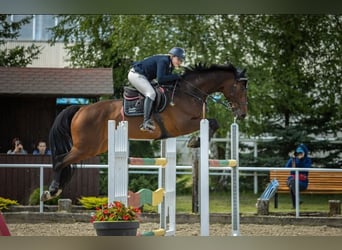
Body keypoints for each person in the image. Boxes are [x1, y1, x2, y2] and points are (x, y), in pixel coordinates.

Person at [128, 47, 186, 132]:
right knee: (151, 93)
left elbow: (165, 82)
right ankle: (146, 122)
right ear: (172, 56)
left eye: (181, 60)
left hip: (145, 77)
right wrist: (177, 76)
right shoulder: (164, 61)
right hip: (136, 75)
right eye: (179, 59)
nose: (180, 62)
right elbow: (161, 79)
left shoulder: (170, 66)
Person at [285, 143, 312, 208]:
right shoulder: (293, 159)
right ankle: (297, 200)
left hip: (302, 182)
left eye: (301, 153)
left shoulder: (307, 160)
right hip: (293, 180)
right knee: (292, 181)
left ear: (304, 153)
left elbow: (304, 170)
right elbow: (287, 167)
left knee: (291, 184)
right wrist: (292, 159)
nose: (299, 154)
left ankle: (295, 205)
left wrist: (300, 160)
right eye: (298, 153)